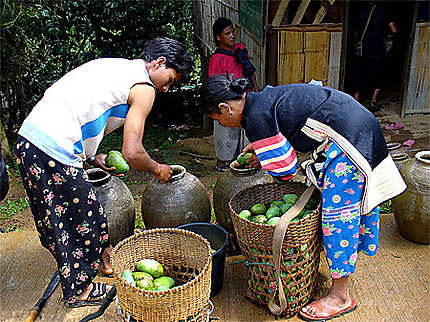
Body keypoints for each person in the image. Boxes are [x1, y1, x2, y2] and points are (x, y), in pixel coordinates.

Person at [200, 74, 406, 321]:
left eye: (219, 120)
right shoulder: (260, 99)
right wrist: (263, 147)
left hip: (349, 143)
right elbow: (289, 124)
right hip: (358, 126)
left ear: (225, 109)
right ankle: (341, 272)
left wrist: (266, 155)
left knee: (337, 218)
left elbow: (286, 169)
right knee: (344, 212)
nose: (223, 124)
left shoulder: (255, 117)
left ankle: (340, 297)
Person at [15, 37, 193, 307]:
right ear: (159, 63)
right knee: (79, 219)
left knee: (73, 213)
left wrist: (91, 156)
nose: (167, 88)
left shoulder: (119, 67)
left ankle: (101, 260)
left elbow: (80, 108)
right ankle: (79, 291)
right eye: (170, 79)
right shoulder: (144, 88)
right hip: (53, 149)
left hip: (30, 142)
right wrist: (158, 169)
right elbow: (132, 153)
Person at [209, 17, 259, 172]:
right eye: (227, 33)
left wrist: (256, 90)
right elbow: (215, 83)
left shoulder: (240, 49)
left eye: (233, 32)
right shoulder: (217, 59)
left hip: (246, 98)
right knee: (226, 132)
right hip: (228, 100)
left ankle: (241, 161)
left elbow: (250, 72)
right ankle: (222, 163)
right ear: (218, 37)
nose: (232, 36)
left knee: (245, 130)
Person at [351, 1, 398, 112]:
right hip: (378, 49)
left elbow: (355, 33)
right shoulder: (385, 11)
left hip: (363, 49)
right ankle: (373, 100)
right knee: (379, 73)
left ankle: (355, 101)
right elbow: (394, 30)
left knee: (359, 73)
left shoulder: (360, 11)